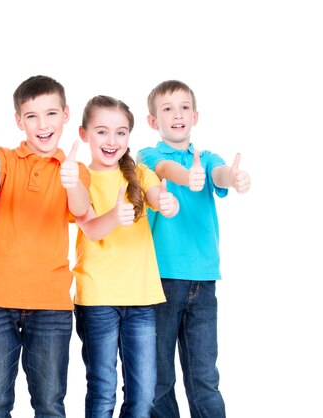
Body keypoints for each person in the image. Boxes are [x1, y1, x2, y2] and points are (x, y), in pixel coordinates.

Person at [0, 74, 91, 417]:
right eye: (32, 116)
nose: (43, 124)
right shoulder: (4, 159)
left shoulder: (75, 169)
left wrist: (71, 182)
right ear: (19, 121)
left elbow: (81, 209)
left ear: (66, 115)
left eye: (51, 114)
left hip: (50, 303)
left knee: (50, 404)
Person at [137, 80, 251, 418]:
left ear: (195, 116)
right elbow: (163, 170)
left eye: (184, 107)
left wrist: (234, 177)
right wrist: (188, 177)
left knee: (204, 378)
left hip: (203, 283)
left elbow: (219, 173)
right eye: (167, 109)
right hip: (162, 282)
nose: (177, 115)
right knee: (157, 380)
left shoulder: (206, 157)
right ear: (153, 121)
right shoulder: (148, 155)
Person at [73, 95, 179, 418]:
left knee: (144, 395)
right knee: (103, 390)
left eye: (121, 132)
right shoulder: (77, 177)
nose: (112, 140)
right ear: (83, 134)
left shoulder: (139, 172)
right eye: (102, 131)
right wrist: (114, 216)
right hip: (97, 299)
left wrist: (166, 202)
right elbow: (90, 228)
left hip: (141, 299)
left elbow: (157, 195)